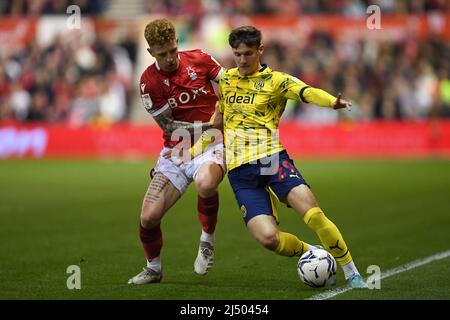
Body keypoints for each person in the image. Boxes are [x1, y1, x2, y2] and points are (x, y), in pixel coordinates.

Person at [209, 26, 367, 288]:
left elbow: (306, 91)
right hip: (240, 173)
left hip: (271, 160)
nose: (242, 60)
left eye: (248, 53)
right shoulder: (226, 81)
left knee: (314, 215)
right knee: (268, 239)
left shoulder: (276, 81)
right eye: (237, 54)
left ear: (260, 50)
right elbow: (220, 120)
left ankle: (352, 272)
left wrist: (332, 102)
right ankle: (310, 250)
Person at [128, 19, 226, 285]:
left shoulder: (201, 59)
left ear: (176, 43)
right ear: (151, 53)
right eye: (162, 54)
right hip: (178, 150)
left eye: (172, 50)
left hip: (212, 143)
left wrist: (224, 111)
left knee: (206, 183)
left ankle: (207, 239)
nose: (170, 58)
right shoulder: (149, 82)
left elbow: (230, 83)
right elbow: (169, 126)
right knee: (148, 218)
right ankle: (153, 268)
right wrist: (210, 122)